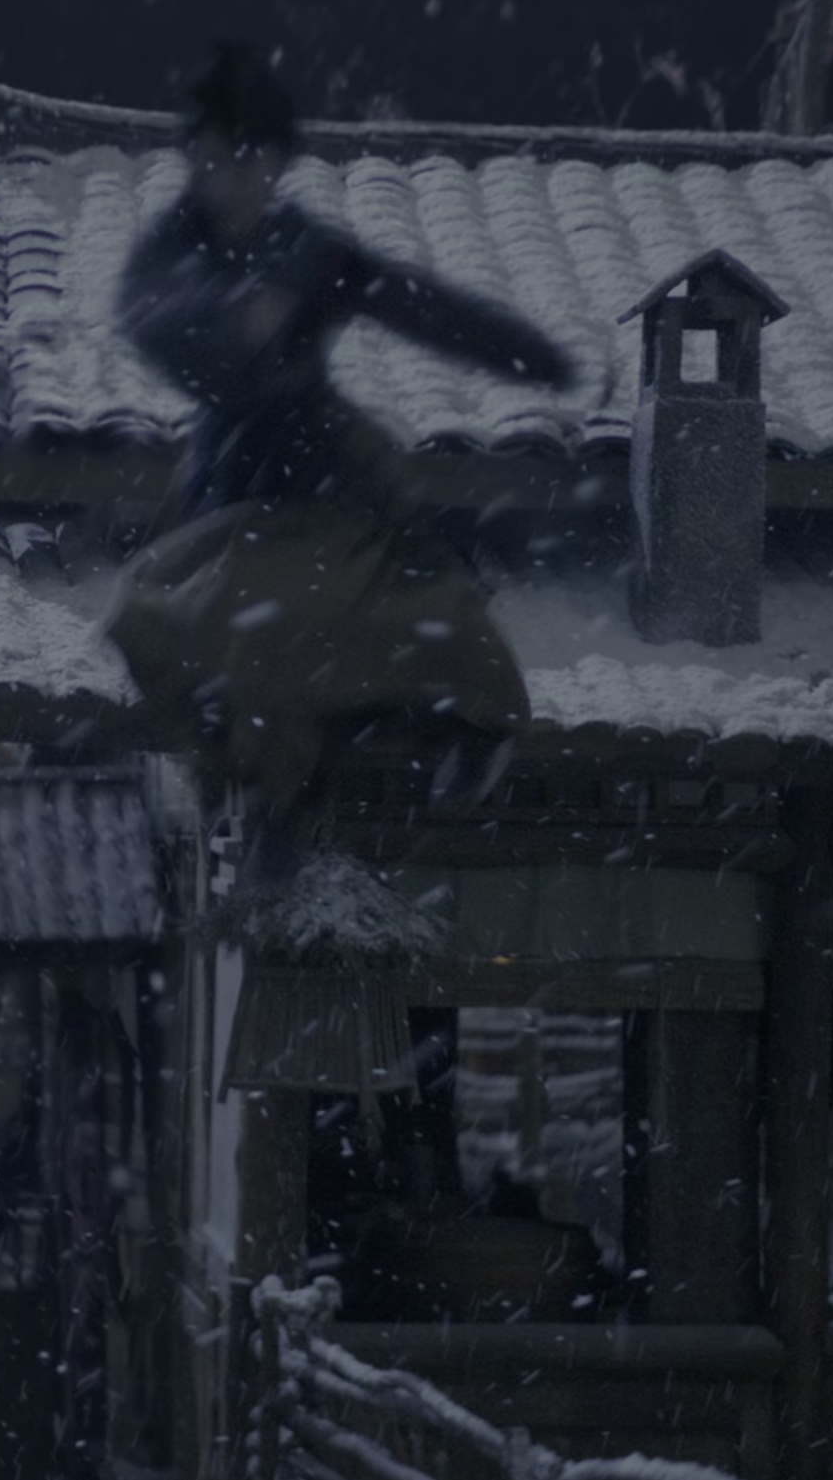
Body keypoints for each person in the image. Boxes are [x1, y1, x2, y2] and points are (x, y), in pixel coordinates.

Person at [101, 45, 577, 886]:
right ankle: (267, 803)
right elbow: (150, 314)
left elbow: (419, 305)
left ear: (274, 163)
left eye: (250, 159)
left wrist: (532, 356)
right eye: (215, 159)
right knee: (191, 628)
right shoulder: (174, 247)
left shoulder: (302, 246)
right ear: (197, 162)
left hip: (327, 470)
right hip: (230, 483)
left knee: (424, 602)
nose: (234, 178)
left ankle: (472, 726)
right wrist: (230, 315)